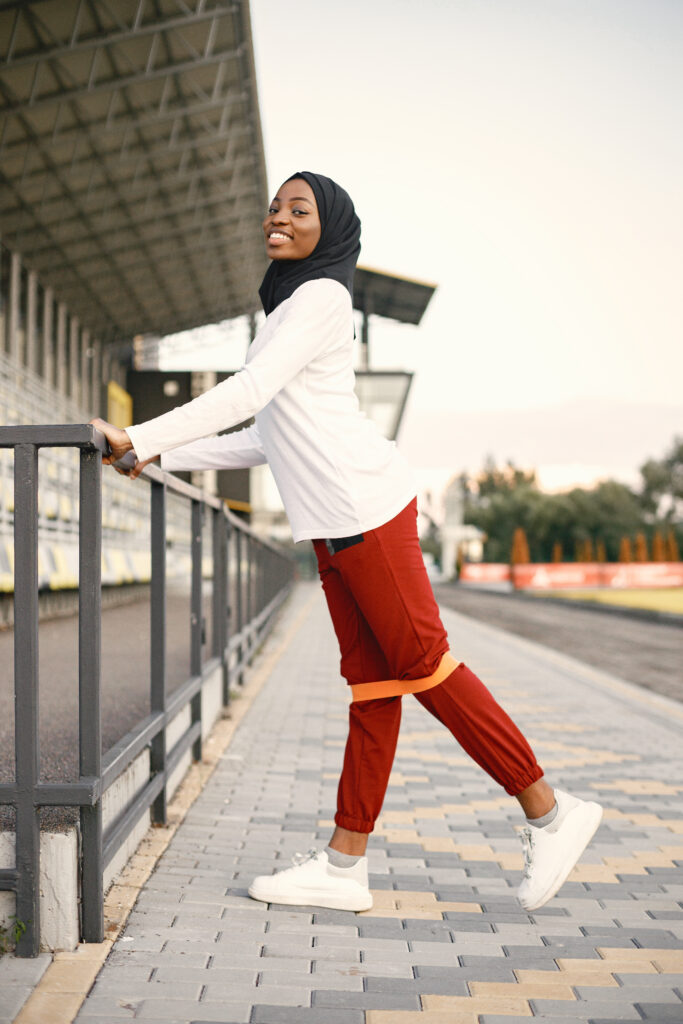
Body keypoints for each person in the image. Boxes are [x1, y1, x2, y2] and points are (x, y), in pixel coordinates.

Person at [92, 171, 602, 914]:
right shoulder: (286, 311)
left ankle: (550, 813)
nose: (278, 216)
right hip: (336, 527)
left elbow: (244, 395)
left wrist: (141, 433)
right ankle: (342, 866)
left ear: (327, 230)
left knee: (424, 665)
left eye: (298, 209)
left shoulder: (323, 299)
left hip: (366, 509)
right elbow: (264, 439)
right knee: (374, 688)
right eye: (273, 206)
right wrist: (152, 454)